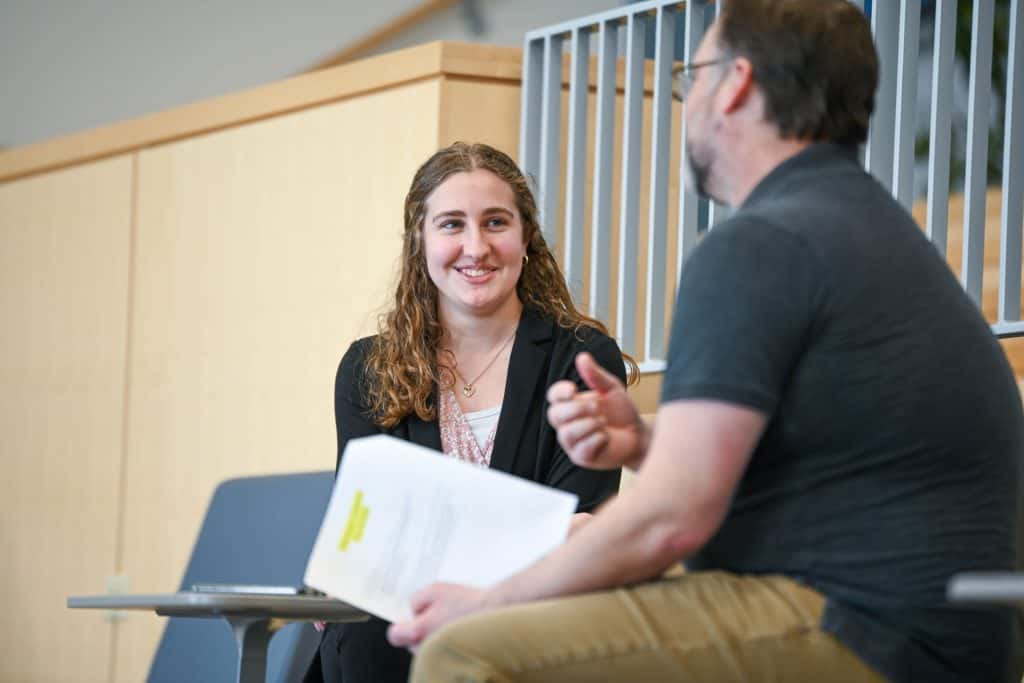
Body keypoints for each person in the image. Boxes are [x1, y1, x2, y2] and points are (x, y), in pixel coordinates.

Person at [386, 1, 1023, 681]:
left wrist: (483, 603)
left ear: (736, 83)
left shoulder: (760, 244)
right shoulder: (865, 227)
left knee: (465, 649)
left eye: (692, 76)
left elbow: (668, 522)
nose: (687, 103)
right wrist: (651, 440)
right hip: (940, 627)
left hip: (869, 627)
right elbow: (816, 454)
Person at [303, 141, 636, 683]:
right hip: (396, 621)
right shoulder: (369, 367)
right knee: (372, 629)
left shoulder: (580, 359)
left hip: (530, 617)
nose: (475, 247)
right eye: (452, 224)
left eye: (496, 222)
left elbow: (579, 535)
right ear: (420, 240)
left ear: (525, 236)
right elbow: (366, 529)